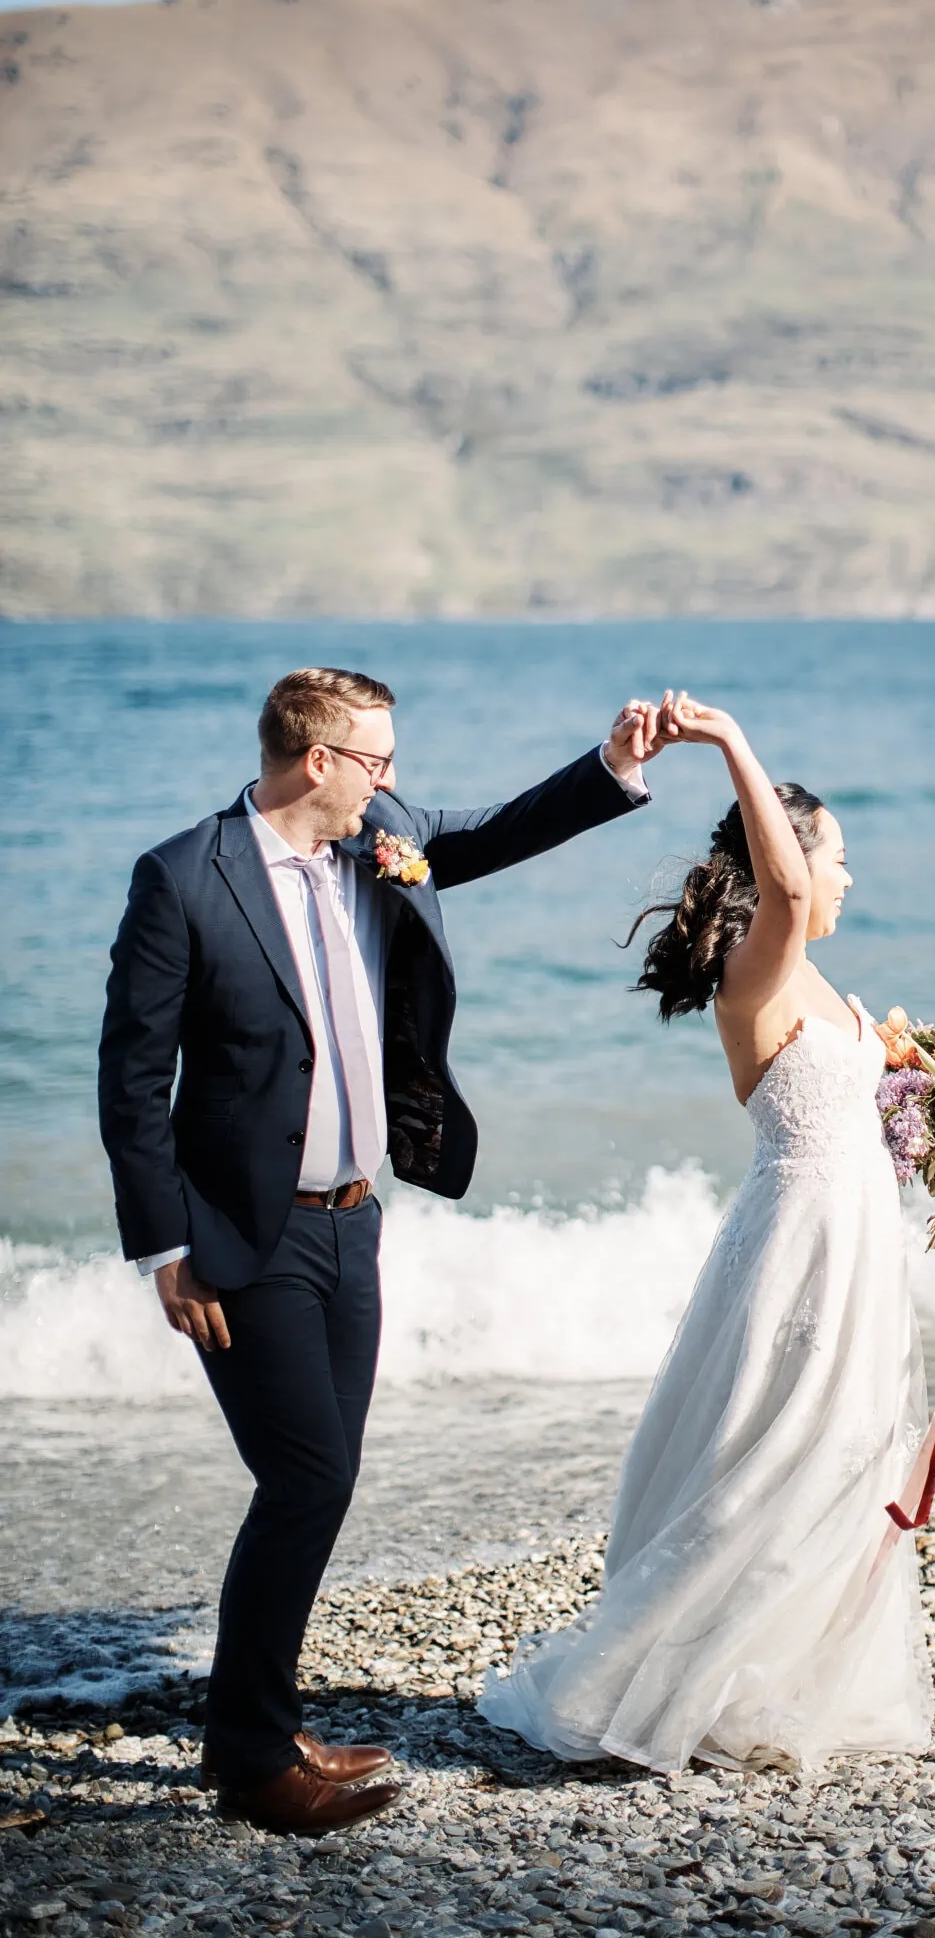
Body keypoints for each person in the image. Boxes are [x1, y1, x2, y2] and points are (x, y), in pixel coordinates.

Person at [98, 666, 668, 1833]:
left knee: (322, 1477)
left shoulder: (380, 836)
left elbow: (497, 829)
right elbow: (131, 1076)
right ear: (317, 760)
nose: (394, 780)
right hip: (245, 1232)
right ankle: (251, 1756)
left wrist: (613, 765)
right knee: (305, 1478)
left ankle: (264, 1718)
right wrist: (164, 1245)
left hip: (357, 1218)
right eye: (377, 758)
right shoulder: (185, 877)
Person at [479, 696, 931, 1773]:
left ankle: (788, 1671)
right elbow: (785, 890)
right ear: (787, 860)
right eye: (838, 857)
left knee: (844, 1445)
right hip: (800, 1239)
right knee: (775, 1446)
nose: (848, 878)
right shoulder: (756, 967)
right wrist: (730, 742)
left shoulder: (820, 981)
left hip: (857, 1238)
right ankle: (672, 1677)